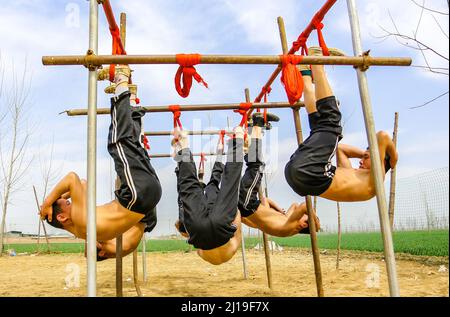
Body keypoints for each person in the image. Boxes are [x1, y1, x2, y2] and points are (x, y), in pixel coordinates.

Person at [40, 65, 162, 260]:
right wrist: (48, 202)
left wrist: (60, 198)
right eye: (67, 203)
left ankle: (131, 102)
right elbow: (72, 178)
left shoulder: (82, 227)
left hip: (143, 197)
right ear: (63, 217)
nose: (70, 200)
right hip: (136, 196)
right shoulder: (80, 220)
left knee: (134, 147)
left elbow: (83, 184)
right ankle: (121, 80)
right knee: (118, 143)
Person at [284, 47, 398, 202]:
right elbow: (341, 149)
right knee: (319, 127)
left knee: (331, 122)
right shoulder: (354, 174)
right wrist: (366, 154)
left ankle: (317, 60)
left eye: (365, 158)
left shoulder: (375, 179)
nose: (360, 161)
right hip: (300, 174)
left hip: (311, 174)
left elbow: (382, 136)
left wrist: (392, 158)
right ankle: (305, 74)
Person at [237, 112, 320, 236]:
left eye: (305, 217)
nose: (303, 214)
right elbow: (295, 206)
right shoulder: (286, 223)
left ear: (303, 225)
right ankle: (253, 128)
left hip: (247, 204)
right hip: (249, 205)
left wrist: (316, 222)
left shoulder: (290, 226)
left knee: (257, 165)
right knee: (256, 164)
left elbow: (303, 206)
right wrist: (281, 210)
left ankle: (257, 122)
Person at [173, 124, 245, 265]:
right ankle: (183, 146)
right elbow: (197, 246)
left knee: (230, 183)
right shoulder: (204, 255)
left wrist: (231, 208)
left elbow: (237, 224)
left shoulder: (232, 250)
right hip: (199, 232)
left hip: (221, 224)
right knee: (189, 188)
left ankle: (239, 139)